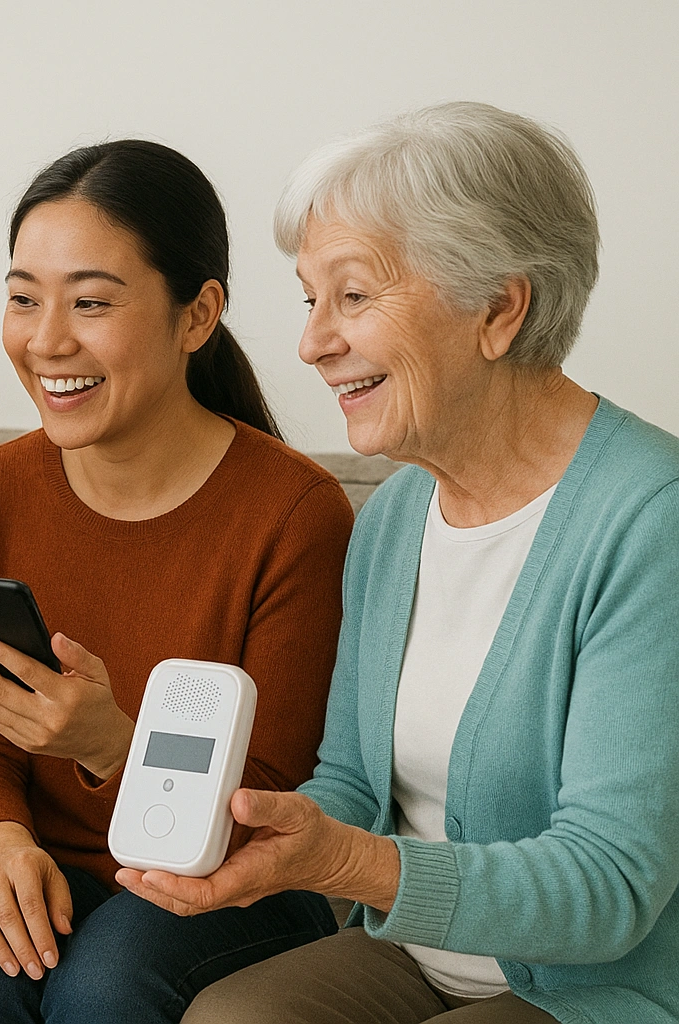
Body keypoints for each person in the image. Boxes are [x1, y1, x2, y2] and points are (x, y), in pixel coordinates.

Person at [126, 103, 679, 1024]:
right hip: (414, 957)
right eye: (310, 300)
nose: (312, 343)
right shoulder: (393, 518)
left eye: (352, 296)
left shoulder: (651, 520)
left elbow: (609, 885)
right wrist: (260, 836)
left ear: (498, 309)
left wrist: (349, 862)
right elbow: (349, 780)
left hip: (602, 986)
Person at [0, 141, 355, 1024]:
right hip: (36, 853)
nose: (47, 340)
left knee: (104, 986)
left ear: (198, 315)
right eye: (24, 298)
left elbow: (275, 798)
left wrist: (112, 744)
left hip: (231, 875)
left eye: (92, 302)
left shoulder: (295, 513)